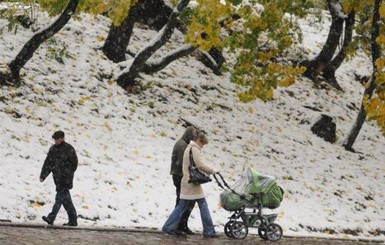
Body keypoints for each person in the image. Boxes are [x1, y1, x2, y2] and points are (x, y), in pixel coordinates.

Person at [163, 131, 219, 238]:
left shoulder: (188, 148)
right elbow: (200, 165)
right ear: (199, 140)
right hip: (192, 183)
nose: (202, 147)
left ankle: (169, 226)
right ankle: (209, 231)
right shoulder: (194, 149)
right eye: (202, 144)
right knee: (203, 205)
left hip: (187, 181)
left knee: (182, 205)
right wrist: (212, 171)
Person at [40, 130, 78, 226]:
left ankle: (51, 217)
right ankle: (73, 220)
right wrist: (43, 175)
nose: (55, 141)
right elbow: (48, 163)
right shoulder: (53, 149)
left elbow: (74, 164)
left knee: (59, 198)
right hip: (57, 178)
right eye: (55, 139)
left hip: (66, 179)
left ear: (62, 138)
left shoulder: (69, 149)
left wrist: (66, 173)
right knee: (66, 201)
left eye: (57, 139)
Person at [170, 126, 197, 234]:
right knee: (183, 201)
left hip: (179, 175)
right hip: (180, 176)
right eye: (193, 135)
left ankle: (182, 225)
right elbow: (184, 163)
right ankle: (177, 225)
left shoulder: (182, 144)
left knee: (185, 201)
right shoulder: (182, 145)